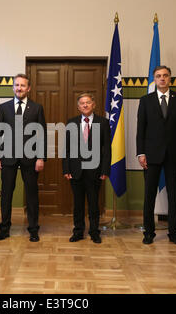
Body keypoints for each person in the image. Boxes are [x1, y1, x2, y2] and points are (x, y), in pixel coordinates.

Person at [136, 65, 176, 245]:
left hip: (174, 154)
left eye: (165, 75)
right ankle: (148, 232)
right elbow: (140, 129)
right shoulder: (146, 100)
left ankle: (174, 233)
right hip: (151, 155)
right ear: (154, 79)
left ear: (170, 78)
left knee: (174, 195)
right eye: (158, 76)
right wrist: (141, 153)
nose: (162, 79)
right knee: (149, 195)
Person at [0, 74, 46, 242]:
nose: (19, 88)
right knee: (6, 194)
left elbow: (42, 134)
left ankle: (33, 229)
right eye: (17, 85)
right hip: (7, 157)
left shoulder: (37, 108)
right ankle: (4, 229)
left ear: (28, 88)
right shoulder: (4, 107)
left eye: (23, 85)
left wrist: (41, 157)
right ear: (13, 87)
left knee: (31, 194)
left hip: (30, 158)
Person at [62, 93, 111, 244]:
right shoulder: (71, 123)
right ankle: (78, 231)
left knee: (94, 203)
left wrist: (105, 170)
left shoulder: (103, 123)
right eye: (82, 103)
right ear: (78, 107)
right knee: (77, 204)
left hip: (95, 171)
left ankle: (94, 231)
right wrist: (66, 169)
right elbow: (67, 148)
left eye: (88, 102)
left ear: (93, 105)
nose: (85, 105)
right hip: (75, 170)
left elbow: (107, 149)